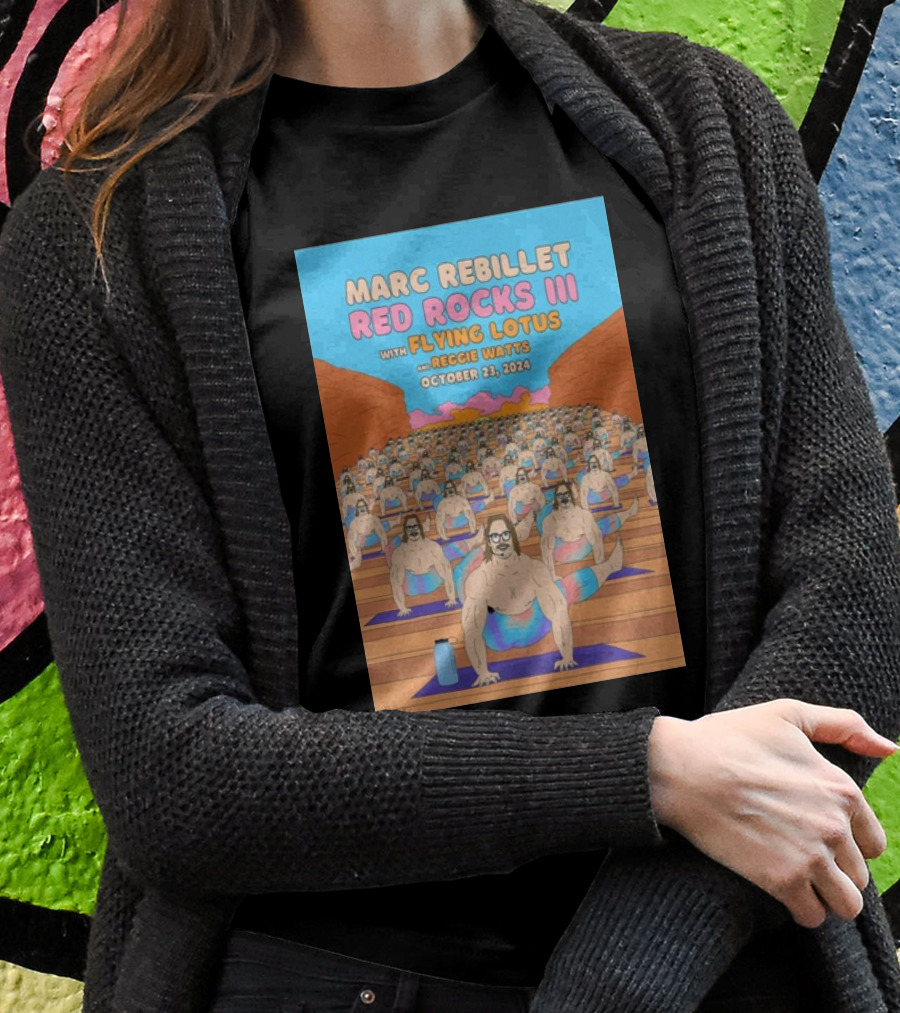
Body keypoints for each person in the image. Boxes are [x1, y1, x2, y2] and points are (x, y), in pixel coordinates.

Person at [1, 1, 899, 1012]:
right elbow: (173, 771)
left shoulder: (704, 129)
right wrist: (647, 773)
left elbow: (852, 601)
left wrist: (630, 968)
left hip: (712, 966)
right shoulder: (101, 240)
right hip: (340, 980)